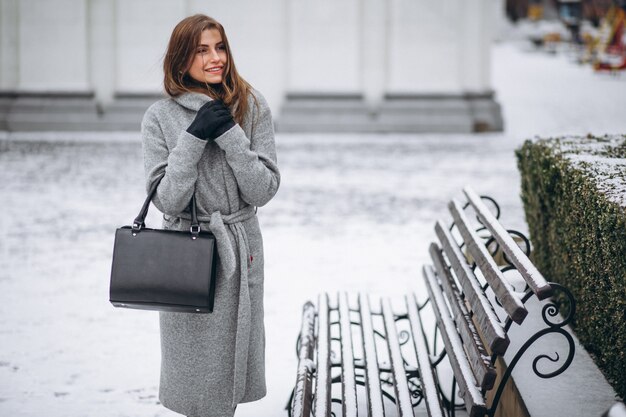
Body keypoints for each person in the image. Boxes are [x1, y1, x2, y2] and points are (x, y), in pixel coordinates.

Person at [140, 14, 280, 417]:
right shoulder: (159, 118)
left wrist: (231, 135)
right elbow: (167, 200)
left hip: (240, 247)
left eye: (220, 47)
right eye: (202, 50)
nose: (215, 58)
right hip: (187, 252)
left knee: (230, 377)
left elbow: (263, 189)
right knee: (193, 379)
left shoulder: (251, 106)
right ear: (181, 60)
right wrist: (194, 137)